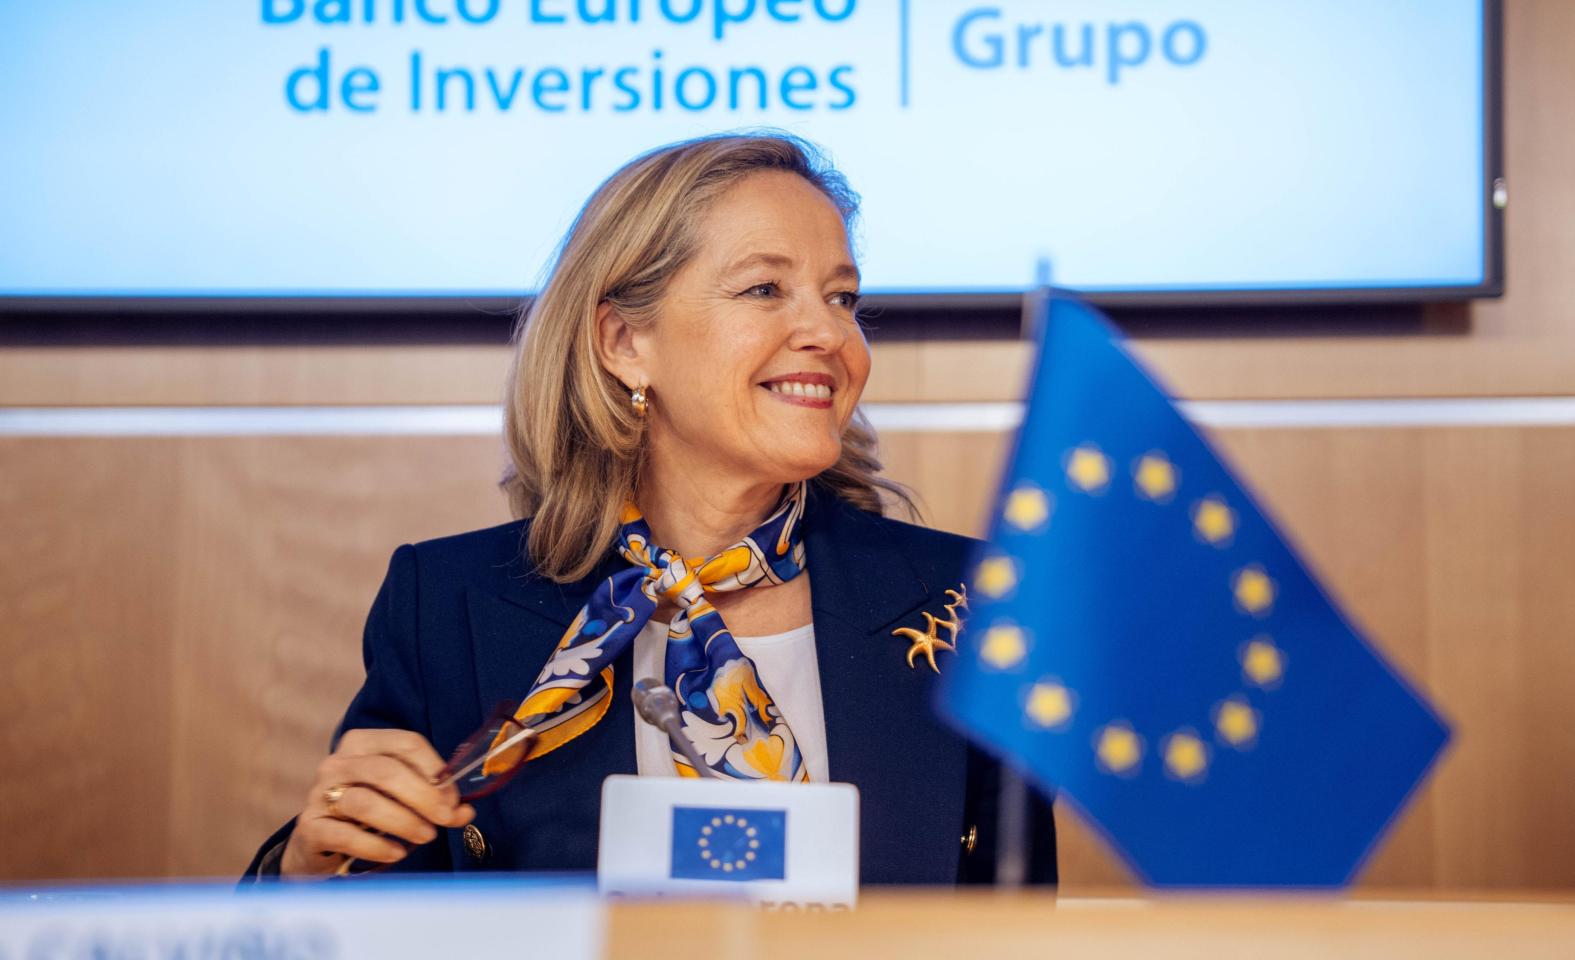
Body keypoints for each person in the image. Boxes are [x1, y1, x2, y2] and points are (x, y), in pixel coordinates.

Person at [243, 133, 1056, 884]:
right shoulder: (448, 607)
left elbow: (1018, 926)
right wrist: (311, 869)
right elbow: (368, 911)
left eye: (842, 297)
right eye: (765, 288)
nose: (828, 333)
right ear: (624, 342)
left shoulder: (967, 599)